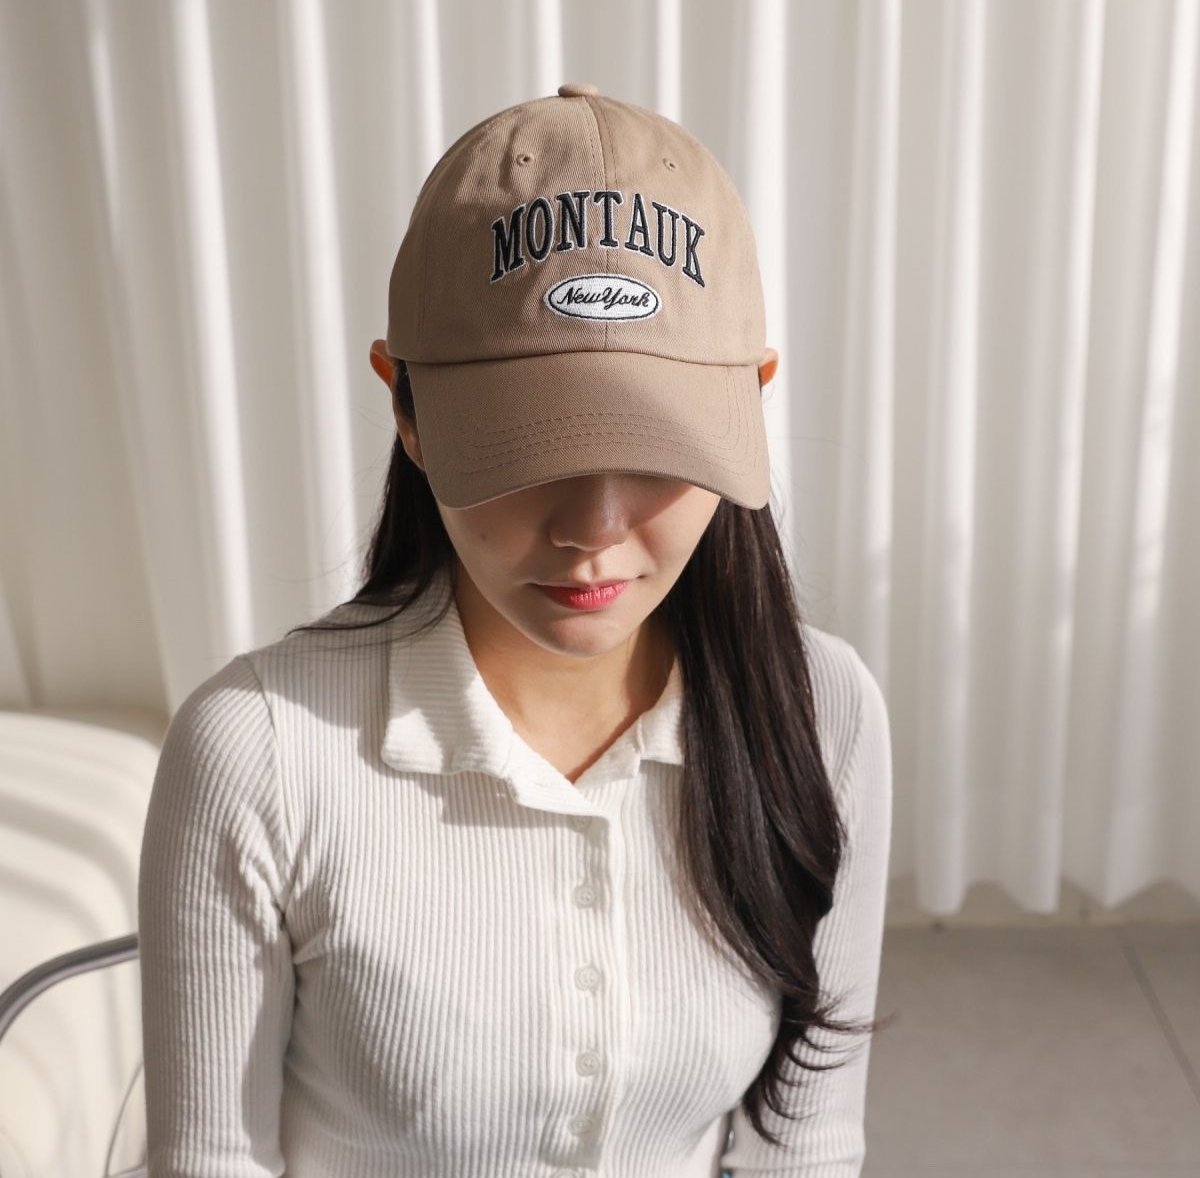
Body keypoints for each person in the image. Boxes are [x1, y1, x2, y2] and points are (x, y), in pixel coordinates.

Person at [138, 83, 893, 1178]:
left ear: (752, 403)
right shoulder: (260, 750)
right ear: (405, 407)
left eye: (659, 448)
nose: (594, 529)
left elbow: (806, 1143)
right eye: (530, 447)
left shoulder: (821, 713)